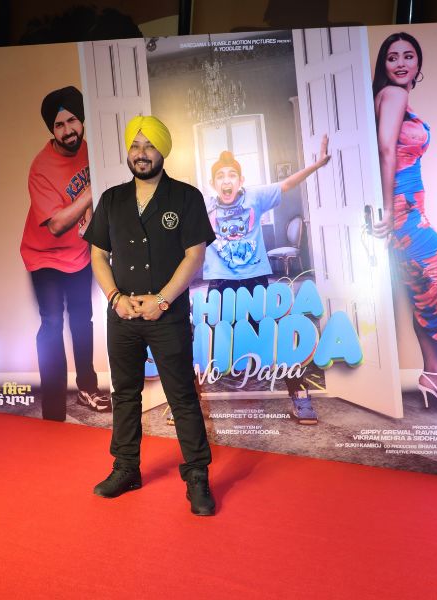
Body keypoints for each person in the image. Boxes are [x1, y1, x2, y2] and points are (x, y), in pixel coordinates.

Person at [84, 115, 217, 516]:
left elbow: (195, 256)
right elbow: (98, 255)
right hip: (122, 315)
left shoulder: (186, 197)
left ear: (163, 151)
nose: (141, 154)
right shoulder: (112, 200)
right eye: (135, 146)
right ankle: (126, 468)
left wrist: (161, 300)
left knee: (182, 396)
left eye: (149, 146)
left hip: (168, 316)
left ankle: (197, 477)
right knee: (125, 394)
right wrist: (114, 298)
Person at [202, 141, 330, 424]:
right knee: (205, 341)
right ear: (213, 183)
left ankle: (299, 395)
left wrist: (317, 165)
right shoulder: (204, 205)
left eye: (232, 175)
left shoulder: (255, 197)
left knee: (275, 338)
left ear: (241, 180)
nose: (226, 181)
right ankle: (187, 405)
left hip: (255, 280)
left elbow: (287, 184)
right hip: (220, 284)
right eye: (220, 176)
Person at [371, 32, 437, 412]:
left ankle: (434, 375)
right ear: (384, 65)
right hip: (404, 216)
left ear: (418, 62)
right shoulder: (393, 94)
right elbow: (386, 148)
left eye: (408, 56)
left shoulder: (388, 96)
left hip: (410, 213)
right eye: (393, 57)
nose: (401, 63)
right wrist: (389, 210)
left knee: (425, 294)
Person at [19, 86, 110, 421]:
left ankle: (87, 388)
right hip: (45, 257)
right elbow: (56, 225)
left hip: (80, 254)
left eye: (72, 121)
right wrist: (90, 193)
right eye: (59, 125)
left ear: (82, 120)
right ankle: (54, 408)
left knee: (83, 319)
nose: (68, 130)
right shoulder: (41, 167)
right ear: (52, 130)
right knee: (52, 322)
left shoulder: (92, 150)